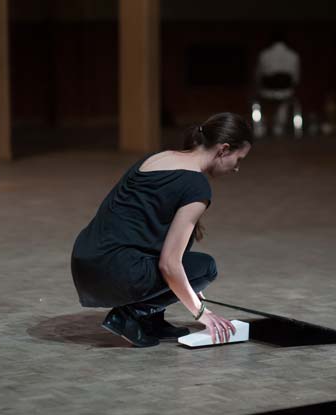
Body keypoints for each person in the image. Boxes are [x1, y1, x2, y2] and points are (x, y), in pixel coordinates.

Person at [70, 112, 253, 347]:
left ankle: (151, 321)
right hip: (115, 273)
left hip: (86, 265)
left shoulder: (159, 158)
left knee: (185, 265)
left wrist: (188, 287)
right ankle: (128, 316)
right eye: (239, 159)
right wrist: (200, 312)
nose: (237, 168)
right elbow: (169, 264)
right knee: (206, 268)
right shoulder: (196, 186)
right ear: (224, 150)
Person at [254, 33, 301, 136]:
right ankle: (278, 127)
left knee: (277, 100)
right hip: (285, 92)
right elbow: (296, 79)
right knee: (284, 100)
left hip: (267, 92)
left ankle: (268, 127)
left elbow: (258, 77)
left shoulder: (264, 54)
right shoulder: (293, 55)